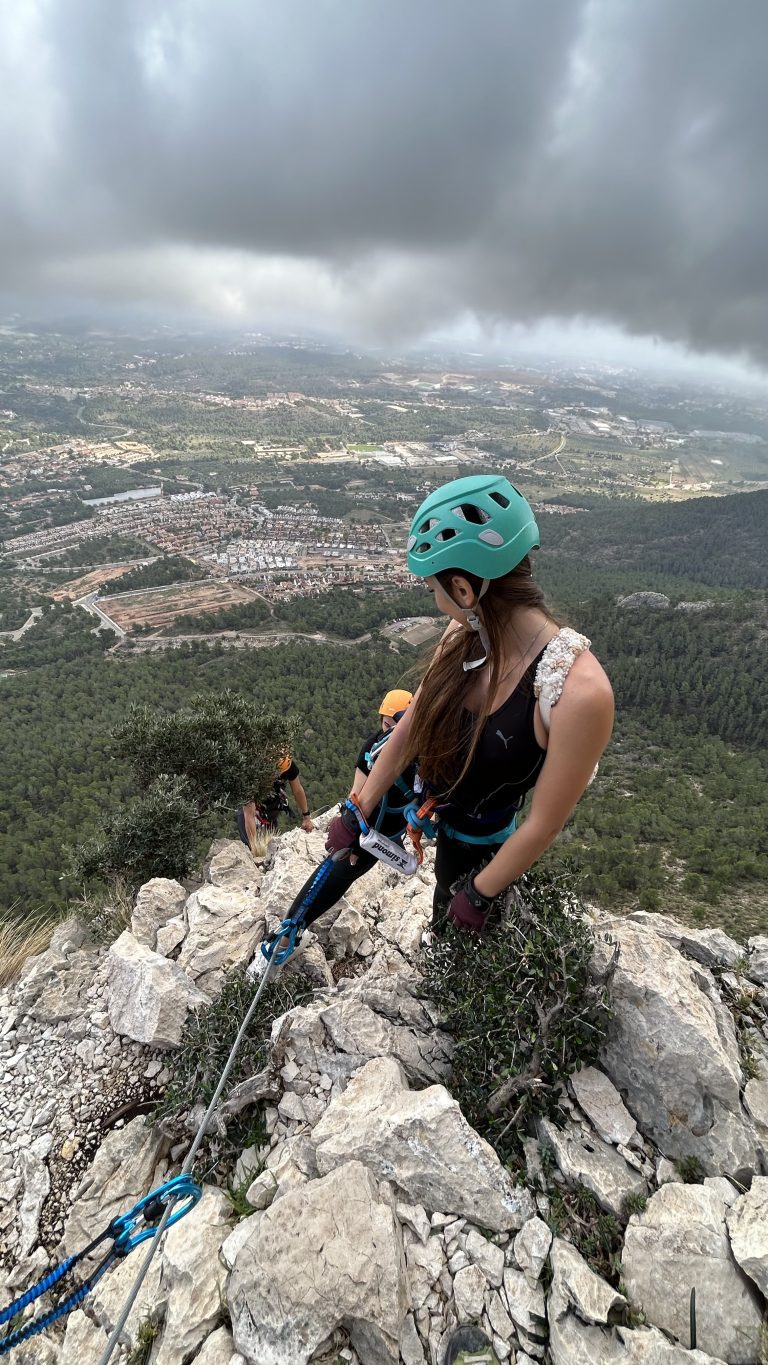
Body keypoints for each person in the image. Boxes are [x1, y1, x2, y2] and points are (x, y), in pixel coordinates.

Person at [327, 474, 614, 931]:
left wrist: (479, 893)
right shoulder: (464, 635)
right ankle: (290, 931)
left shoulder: (578, 692)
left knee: (451, 925)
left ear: (464, 589)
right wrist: (360, 805)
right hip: (435, 800)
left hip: (482, 844)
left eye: (434, 589)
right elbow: (414, 723)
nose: (437, 602)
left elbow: (543, 823)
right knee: (355, 855)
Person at [280, 689, 415, 930]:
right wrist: (350, 826)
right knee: (338, 870)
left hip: (388, 834)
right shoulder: (372, 747)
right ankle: (291, 929)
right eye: (386, 724)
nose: (390, 732)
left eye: (396, 725)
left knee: (343, 873)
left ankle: (293, 928)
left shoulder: (418, 756)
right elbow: (357, 792)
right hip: (368, 828)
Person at [237, 754, 313, 850]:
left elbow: (297, 790)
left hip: (271, 812)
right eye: (277, 773)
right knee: (251, 850)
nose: (280, 776)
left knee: (272, 849)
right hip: (250, 815)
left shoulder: (287, 764)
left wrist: (306, 817)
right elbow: (249, 814)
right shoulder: (250, 774)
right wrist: (255, 848)